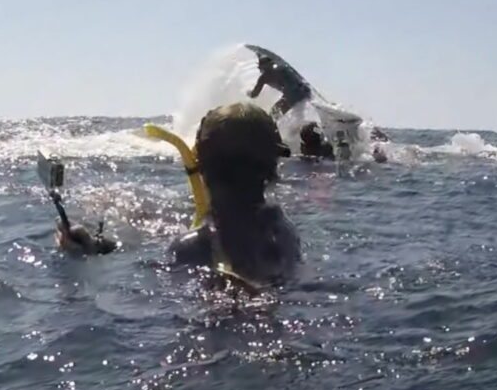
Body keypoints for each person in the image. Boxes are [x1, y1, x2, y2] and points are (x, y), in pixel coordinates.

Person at [56, 102, 301, 287]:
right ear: (274, 164)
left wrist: (84, 255)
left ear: (198, 160)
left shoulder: (190, 248)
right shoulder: (287, 235)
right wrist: (101, 246)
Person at [246, 55, 312, 120]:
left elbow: (254, 94)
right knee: (296, 115)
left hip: (293, 94)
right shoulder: (281, 70)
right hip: (303, 92)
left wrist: (248, 93)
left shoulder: (264, 77)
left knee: (273, 115)